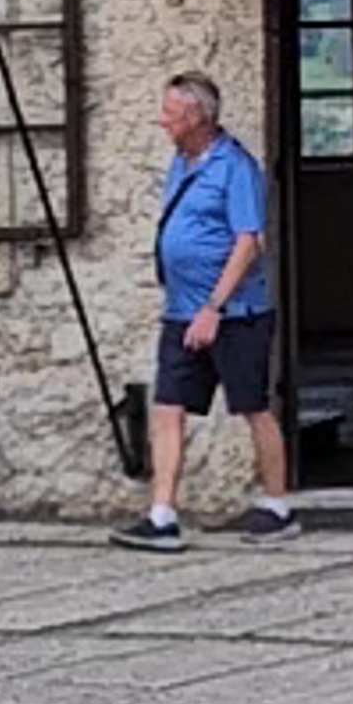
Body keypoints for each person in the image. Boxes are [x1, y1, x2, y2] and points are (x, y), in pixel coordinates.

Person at [137, 73, 295, 548]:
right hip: (181, 310)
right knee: (167, 406)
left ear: (197, 117)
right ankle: (162, 513)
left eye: (170, 112)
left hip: (236, 312)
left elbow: (249, 241)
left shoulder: (236, 167)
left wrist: (214, 307)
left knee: (253, 407)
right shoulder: (180, 164)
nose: (161, 120)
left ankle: (278, 504)